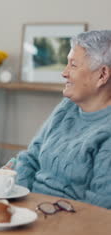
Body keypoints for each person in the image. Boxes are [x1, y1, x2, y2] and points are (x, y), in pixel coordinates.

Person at [14, 30, 111, 209]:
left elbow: (98, 210)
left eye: (73, 65)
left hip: (68, 223)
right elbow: (30, 157)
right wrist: (19, 203)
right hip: (30, 208)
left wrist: (42, 212)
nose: (64, 73)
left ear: (102, 75)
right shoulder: (67, 106)